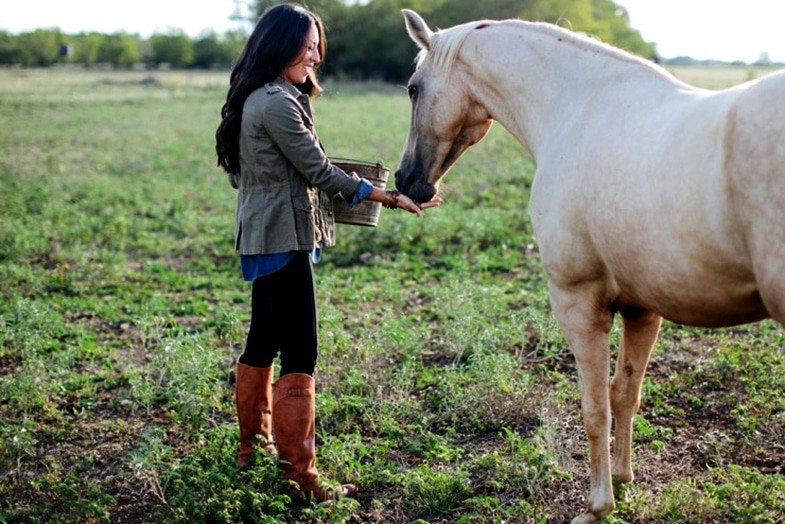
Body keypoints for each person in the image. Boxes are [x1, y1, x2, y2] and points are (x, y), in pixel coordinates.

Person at [215, 3, 439, 502]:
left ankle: (253, 452)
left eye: (318, 46)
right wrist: (386, 196)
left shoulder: (261, 96)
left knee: (263, 341)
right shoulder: (277, 102)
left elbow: (276, 170)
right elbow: (318, 171)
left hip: (265, 235)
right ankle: (300, 479)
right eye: (308, 46)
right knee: (301, 351)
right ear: (280, 46)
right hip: (284, 237)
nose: (316, 56)